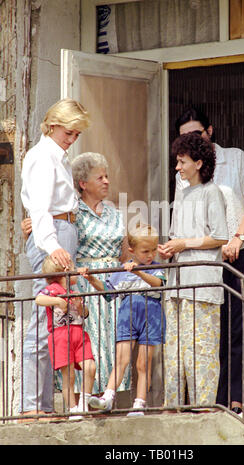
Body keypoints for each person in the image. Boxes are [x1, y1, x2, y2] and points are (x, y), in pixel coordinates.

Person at [173, 107, 244, 412]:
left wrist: (237, 237)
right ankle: (217, 398)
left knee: (243, 325)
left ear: (209, 131)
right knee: (217, 328)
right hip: (210, 257)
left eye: (197, 133)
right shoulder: (184, 172)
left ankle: (241, 398)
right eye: (185, 135)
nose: (192, 139)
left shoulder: (235, 157)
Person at [21, 152, 130, 397]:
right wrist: (29, 228)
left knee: (110, 347)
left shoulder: (116, 214)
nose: (106, 181)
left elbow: (124, 256)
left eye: (107, 176)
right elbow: (49, 233)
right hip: (82, 287)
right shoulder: (72, 214)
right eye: (100, 177)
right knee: (82, 348)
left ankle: (108, 400)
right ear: (83, 184)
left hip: (109, 289)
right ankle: (79, 404)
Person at [20, 98, 90, 418]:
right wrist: (49, 243)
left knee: (56, 323)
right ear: (52, 125)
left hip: (63, 229)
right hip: (55, 232)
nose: (72, 138)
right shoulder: (42, 156)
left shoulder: (57, 156)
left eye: (76, 134)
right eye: (69, 131)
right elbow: (39, 207)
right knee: (43, 321)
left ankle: (43, 405)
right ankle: (33, 406)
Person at [158, 132, 228, 408]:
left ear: (198, 163)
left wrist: (184, 244)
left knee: (202, 351)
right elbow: (178, 236)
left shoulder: (213, 193)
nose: (178, 167)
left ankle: (203, 409)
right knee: (174, 352)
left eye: (182, 161)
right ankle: (172, 408)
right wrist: (170, 248)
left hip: (202, 284)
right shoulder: (183, 194)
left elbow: (221, 236)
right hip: (178, 283)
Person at [82, 223, 166, 416]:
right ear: (131, 250)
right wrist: (91, 279)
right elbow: (108, 291)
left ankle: (139, 404)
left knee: (143, 364)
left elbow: (159, 284)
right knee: (121, 359)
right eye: (145, 251)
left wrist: (138, 272)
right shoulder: (121, 270)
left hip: (150, 316)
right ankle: (108, 397)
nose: (150, 255)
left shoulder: (156, 267)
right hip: (127, 315)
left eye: (153, 250)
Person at [35, 256, 96, 420]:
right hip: (61, 335)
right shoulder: (53, 289)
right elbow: (39, 299)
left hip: (79, 333)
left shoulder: (74, 292)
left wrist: (80, 307)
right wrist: (57, 301)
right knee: (68, 376)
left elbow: (85, 313)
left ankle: (83, 403)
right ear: (64, 272)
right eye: (73, 268)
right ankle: (73, 409)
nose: (76, 271)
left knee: (90, 367)